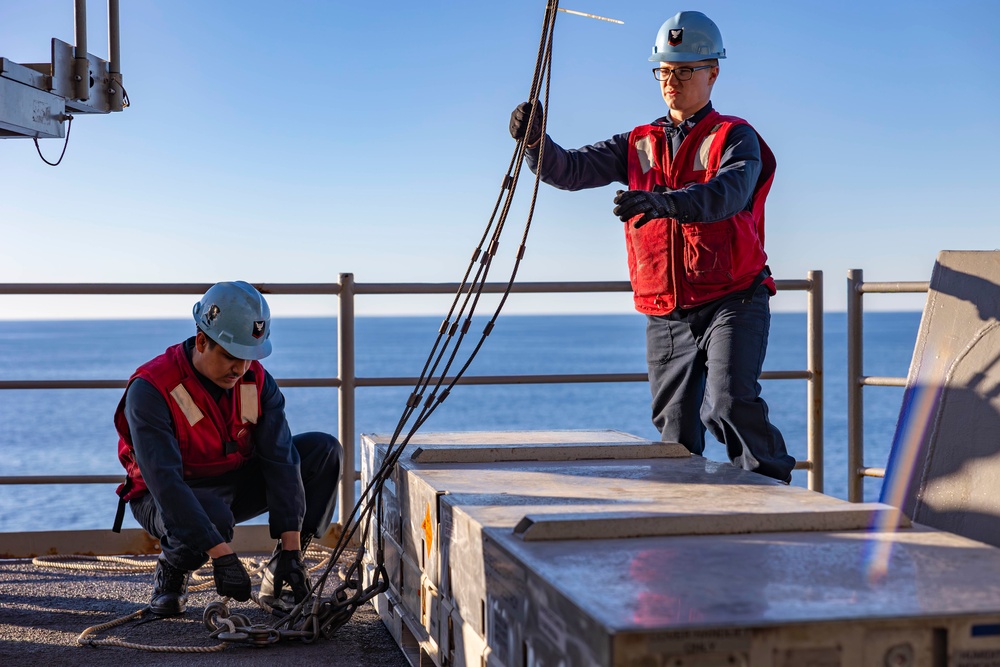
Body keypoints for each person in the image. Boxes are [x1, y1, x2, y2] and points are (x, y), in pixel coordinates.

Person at [509, 11, 794, 482]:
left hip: (734, 299)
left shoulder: (734, 136)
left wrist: (663, 202)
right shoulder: (637, 142)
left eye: (684, 69)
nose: (671, 80)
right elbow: (571, 170)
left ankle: (776, 498)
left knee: (727, 404)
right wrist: (536, 142)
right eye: (664, 70)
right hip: (666, 311)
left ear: (712, 73)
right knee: (675, 432)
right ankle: (683, 526)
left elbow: (731, 192)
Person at [112, 281, 343, 616]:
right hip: (162, 495)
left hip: (231, 479)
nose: (241, 369)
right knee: (212, 520)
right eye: (232, 356)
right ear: (202, 340)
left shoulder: (255, 380)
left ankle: (284, 568)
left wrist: (290, 547)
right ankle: (173, 570)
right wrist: (223, 557)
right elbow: (166, 484)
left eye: (249, 357)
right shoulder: (152, 389)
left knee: (323, 451)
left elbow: (280, 459)